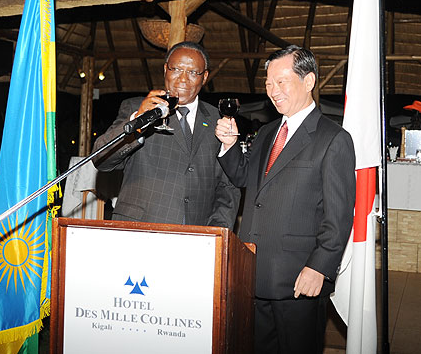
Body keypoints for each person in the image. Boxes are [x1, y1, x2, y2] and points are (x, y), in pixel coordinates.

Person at [215, 45, 356, 354]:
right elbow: (244, 179)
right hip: (253, 274)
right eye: (268, 83)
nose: (272, 91)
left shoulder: (333, 139)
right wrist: (228, 146)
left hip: (298, 280)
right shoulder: (266, 132)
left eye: (281, 82)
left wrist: (318, 267)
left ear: (309, 81)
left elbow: (340, 217)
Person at [92, 41, 240, 229]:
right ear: (165, 70)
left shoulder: (217, 120)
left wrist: (217, 231)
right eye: (176, 69)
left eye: (193, 72)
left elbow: (228, 186)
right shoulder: (137, 108)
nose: (183, 79)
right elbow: (101, 158)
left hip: (197, 237)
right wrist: (137, 120)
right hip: (140, 231)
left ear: (205, 77)